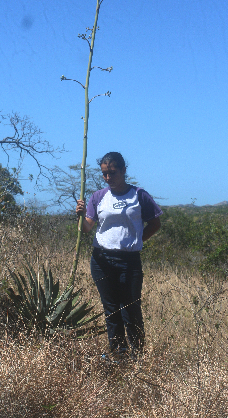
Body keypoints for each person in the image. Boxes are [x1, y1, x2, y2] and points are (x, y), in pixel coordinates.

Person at [76, 152, 162, 357]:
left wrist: (137, 241)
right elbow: (87, 228)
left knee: (130, 309)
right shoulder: (98, 197)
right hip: (101, 259)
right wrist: (80, 216)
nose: (108, 178)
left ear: (123, 171)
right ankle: (118, 353)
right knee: (111, 308)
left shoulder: (139, 195)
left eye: (112, 173)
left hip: (129, 261)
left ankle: (137, 354)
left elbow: (155, 223)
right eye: (104, 174)